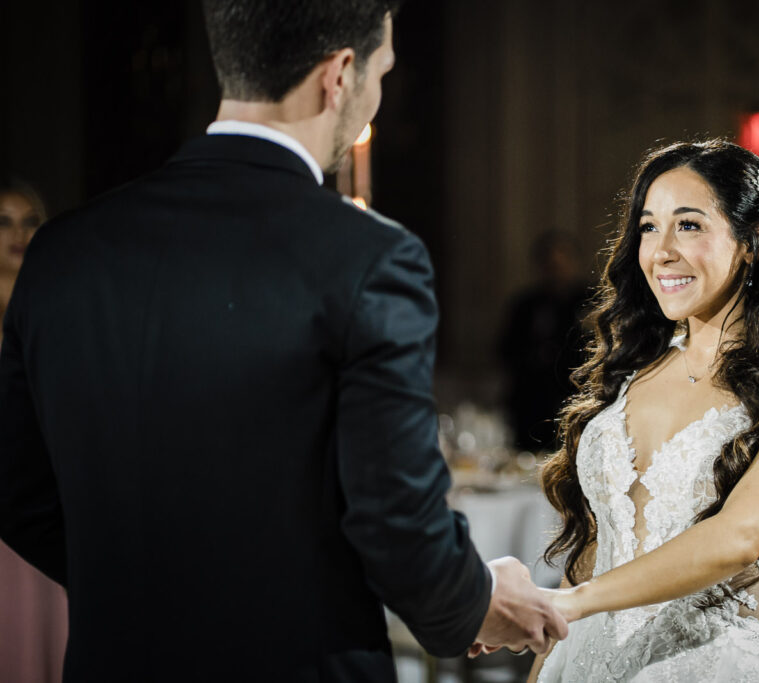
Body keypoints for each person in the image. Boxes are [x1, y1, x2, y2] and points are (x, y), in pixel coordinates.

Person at [0, 2, 566, 681]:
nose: (377, 97)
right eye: (381, 73)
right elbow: (397, 527)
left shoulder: (65, 250)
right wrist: (477, 595)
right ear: (340, 75)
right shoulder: (371, 258)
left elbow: (17, 488)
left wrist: (141, 580)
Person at [508, 139, 759, 681]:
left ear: (753, 241)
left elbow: (737, 537)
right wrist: (545, 660)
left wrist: (571, 607)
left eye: (689, 225)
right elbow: (593, 547)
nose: (661, 251)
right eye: (649, 227)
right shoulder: (632, 370)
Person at [0, 176, 68, 683]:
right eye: (3, 221)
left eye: (30, 220)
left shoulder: (61, 319)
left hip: (51, 519)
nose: (18, 232)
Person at [499, 230, 590, 451]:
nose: (556, 269)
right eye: (550, 264)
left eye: (562, 262)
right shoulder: (526, 304)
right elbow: (505, 349)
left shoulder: (589, 300)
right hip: (531, 402)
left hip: (576, 397)